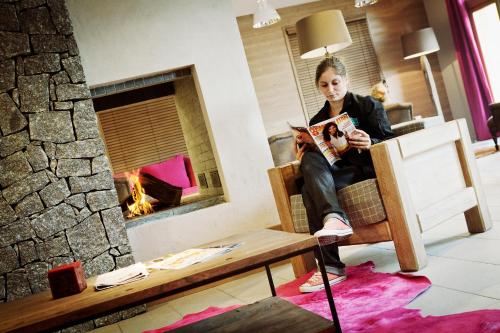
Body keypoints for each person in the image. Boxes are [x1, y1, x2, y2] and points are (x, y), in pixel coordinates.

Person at [295, 57, 393, 293]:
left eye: (335, 82)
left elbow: (390, 141)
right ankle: (334, 219)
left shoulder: (368, 105)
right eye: (324, 85)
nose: (331, 89)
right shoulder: (317, 120)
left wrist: (371, 142)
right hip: (335, 171)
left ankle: (330, 267)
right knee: (309, 160)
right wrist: (304, 150)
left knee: (310, 190)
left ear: (345, 79)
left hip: (363, 169)